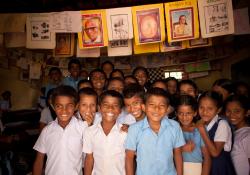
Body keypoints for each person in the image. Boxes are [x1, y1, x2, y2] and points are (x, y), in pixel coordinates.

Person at [125, 88, 185, 175]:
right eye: (152, 104)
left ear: (167, 109)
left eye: (162, 105)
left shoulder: (174, 126)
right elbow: (129, 158)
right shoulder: (134, 129)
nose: (156, 109)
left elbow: (178, 154)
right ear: (144, 107)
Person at [32, 85, 88, 175]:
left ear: (76, 106)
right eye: (59, 106)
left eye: (69, 106)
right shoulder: (47, 130)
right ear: (53, 106)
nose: (64, 111)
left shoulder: (83, 128)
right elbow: (39, 160)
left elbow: (89, 158)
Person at [83, 90, 127, 175]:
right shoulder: (89, 131)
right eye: (106, 105)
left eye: (115, 105)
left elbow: (130, 159)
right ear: (99, 108)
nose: (110, 108)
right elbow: (89, 159)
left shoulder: (126, 133)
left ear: (120, 110)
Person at [196, 91, 236, 175]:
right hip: (206, 167)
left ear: (218, 110)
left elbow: (215, 153)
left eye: (210, 108)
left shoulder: (222, 125)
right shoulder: (200, 124)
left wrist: (202, 130)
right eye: (201, 107)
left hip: (219, 168)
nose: (204, 112)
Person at [176, 95, 211, 175]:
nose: (184, 117)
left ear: (195, 113)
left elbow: (207, 158)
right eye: (180, 113)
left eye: (188, 113)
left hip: (195, 170)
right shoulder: (174, 129)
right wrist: (181, 149)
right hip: (175, 168)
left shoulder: (199, 130)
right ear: (176, 113)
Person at [224, 95, 250, 175]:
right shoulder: (233, 132)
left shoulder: (247, 136)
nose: (232, 115)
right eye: (228, 111)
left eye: (237, 111)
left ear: (247, 112)